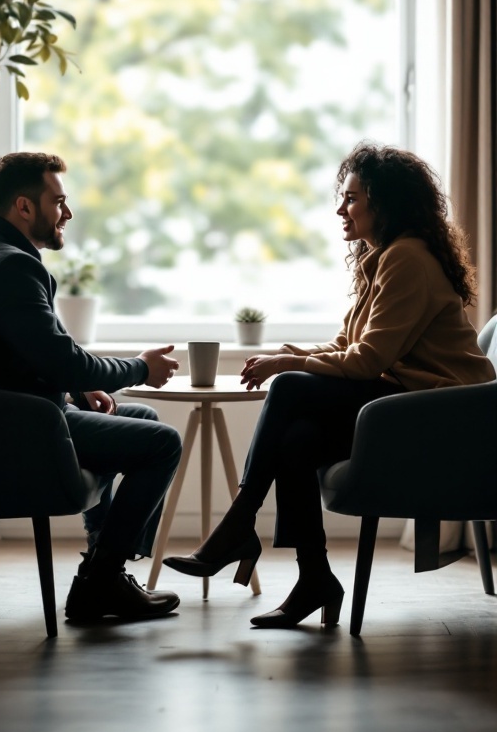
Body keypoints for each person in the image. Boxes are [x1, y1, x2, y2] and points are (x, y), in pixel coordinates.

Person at [163, 142, 496, 628]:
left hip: (441, 417)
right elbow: (347, 343)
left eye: (352, 198)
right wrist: (289, 356)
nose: (341, 209)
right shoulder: (382, 257)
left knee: (289, 389)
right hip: (410, 406)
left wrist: (284, 365)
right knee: (297, 441)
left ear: (384, 202)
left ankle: (239, 521)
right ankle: (314, 577)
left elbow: (367, 362)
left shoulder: (407, 259)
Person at [0, 152, 183, 624]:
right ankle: (101, 580)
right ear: (24, 207)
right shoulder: (12, 269)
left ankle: (101, 574)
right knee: (161, 443)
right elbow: (65, 360)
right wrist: (140, 369)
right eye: (58, 201)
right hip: (0, 435)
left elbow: (23, 352)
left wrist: (78, 391)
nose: (68, 212)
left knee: (138, 418)